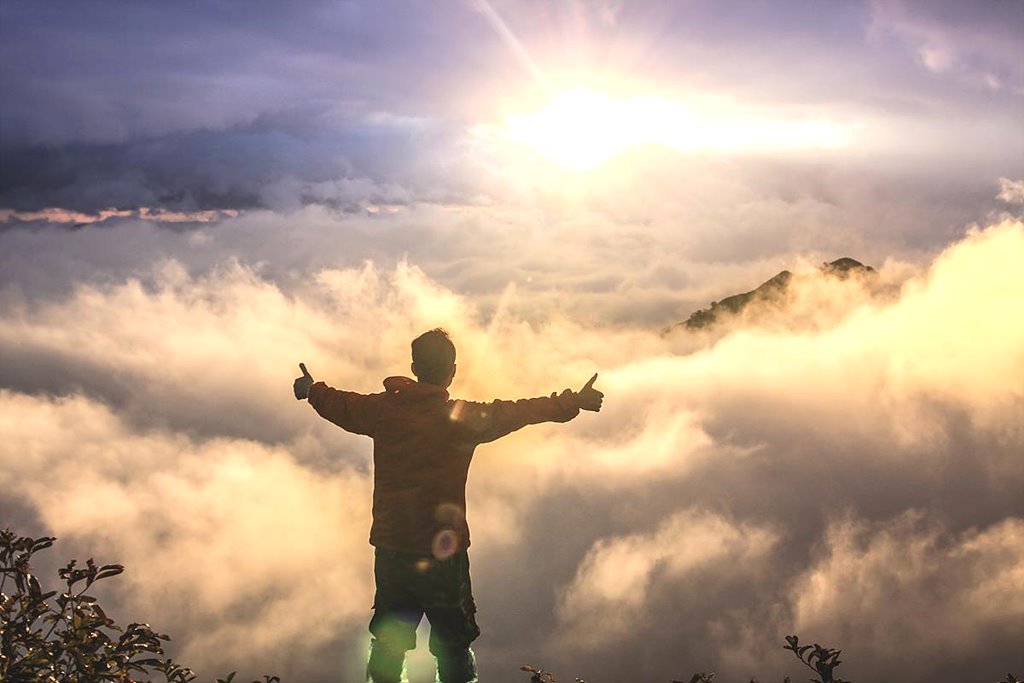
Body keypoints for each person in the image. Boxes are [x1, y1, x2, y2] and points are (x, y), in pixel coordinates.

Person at [293, 328, 603, 683]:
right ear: (451, 370)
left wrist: (311, 390)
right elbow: (519, 411)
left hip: (393, 549)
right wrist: (572, 401)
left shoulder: (381, 411)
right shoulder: (461, 419)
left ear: (413, 366)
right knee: (453, 644)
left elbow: (340, 403)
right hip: (444, 553)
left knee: (390, 642)